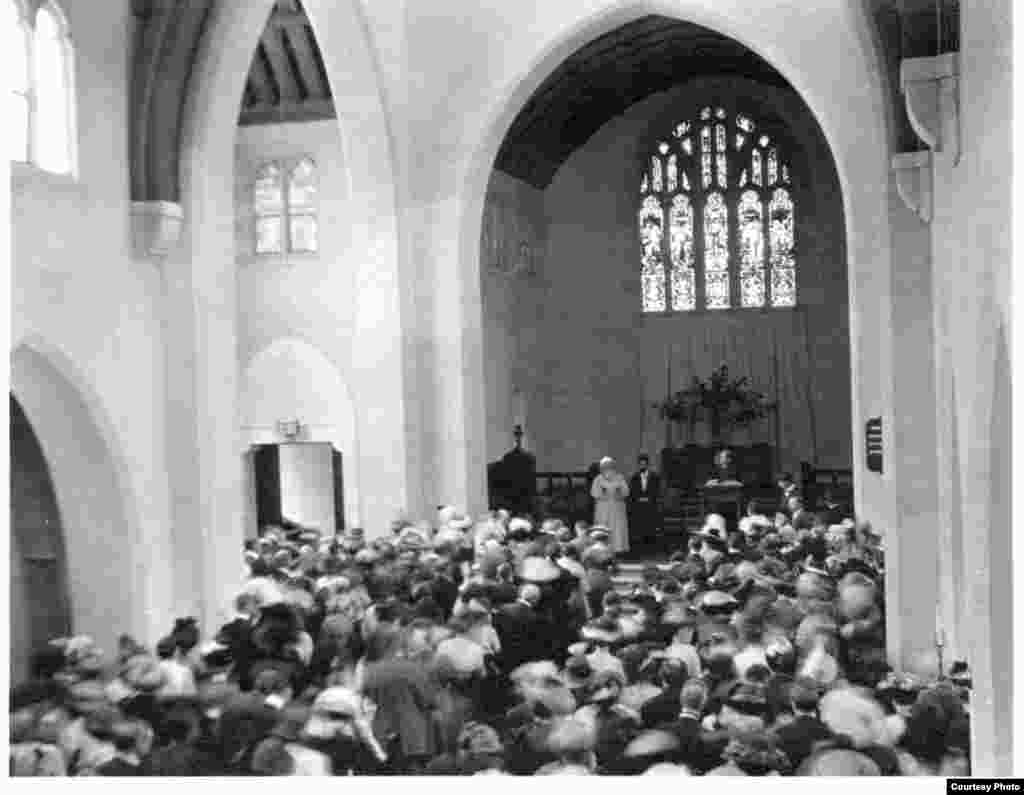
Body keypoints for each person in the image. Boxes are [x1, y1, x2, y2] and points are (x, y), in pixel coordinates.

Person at [591, 457, 630, 553]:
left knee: (617, 529)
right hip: (603, 508)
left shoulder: (619, 477)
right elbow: (594, 493)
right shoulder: (598, 479)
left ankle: (618, 549)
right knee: (603, 527)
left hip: (617, 507)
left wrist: (619, 492)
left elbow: (626, 492)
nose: (607, 468)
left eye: (609, 465)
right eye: (605, 466)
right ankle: (602, 548)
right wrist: (602, 493)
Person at [627, 454, 662, 553]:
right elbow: (632, 492)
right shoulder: (634, 477)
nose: (643, 466)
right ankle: (640, 549)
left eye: (644, 464)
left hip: (651, 505)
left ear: (648, 465)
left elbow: (657, 490)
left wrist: (649, 498)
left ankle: (650, 549)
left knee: (650, 527)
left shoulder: (655, 477)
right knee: (639, 527)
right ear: (638, 465)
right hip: (638, 506)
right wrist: (639, 499)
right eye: (641, 464)